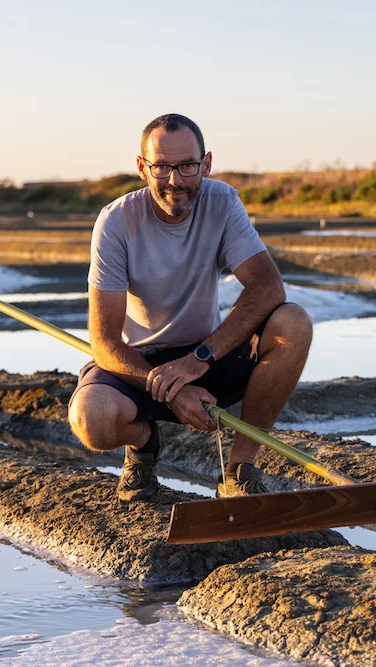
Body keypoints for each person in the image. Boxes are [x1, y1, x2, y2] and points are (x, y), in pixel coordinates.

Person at [67, 113, 313, 502]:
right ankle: (143, 444)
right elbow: (104, 342)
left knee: (293, 323)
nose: (175, 180)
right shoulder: (115, 222)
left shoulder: (222, 201)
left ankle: (239, 470)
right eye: (162, 167)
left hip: (208, 355)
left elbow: (268, 287)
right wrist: (170, 389)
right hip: (142, 366)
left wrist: (200, 359)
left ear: (207, 163)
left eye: (187, 166)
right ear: (141, 167)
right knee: (90, 419)